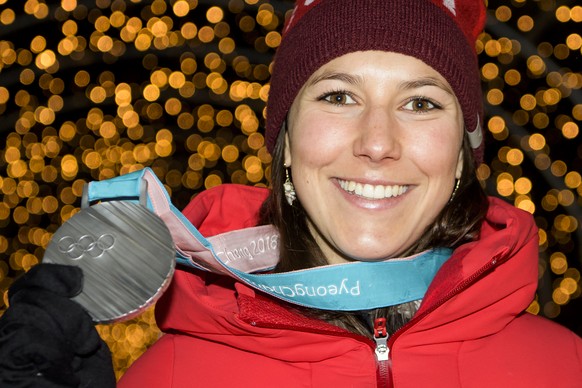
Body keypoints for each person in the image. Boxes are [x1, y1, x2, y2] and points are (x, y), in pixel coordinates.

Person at [1, 0, 581, 387]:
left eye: (421, 103)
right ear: (285, 143)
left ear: (462, 153)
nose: (377, 143)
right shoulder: (171, 376)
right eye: (337, 96)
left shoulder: (565, 368)